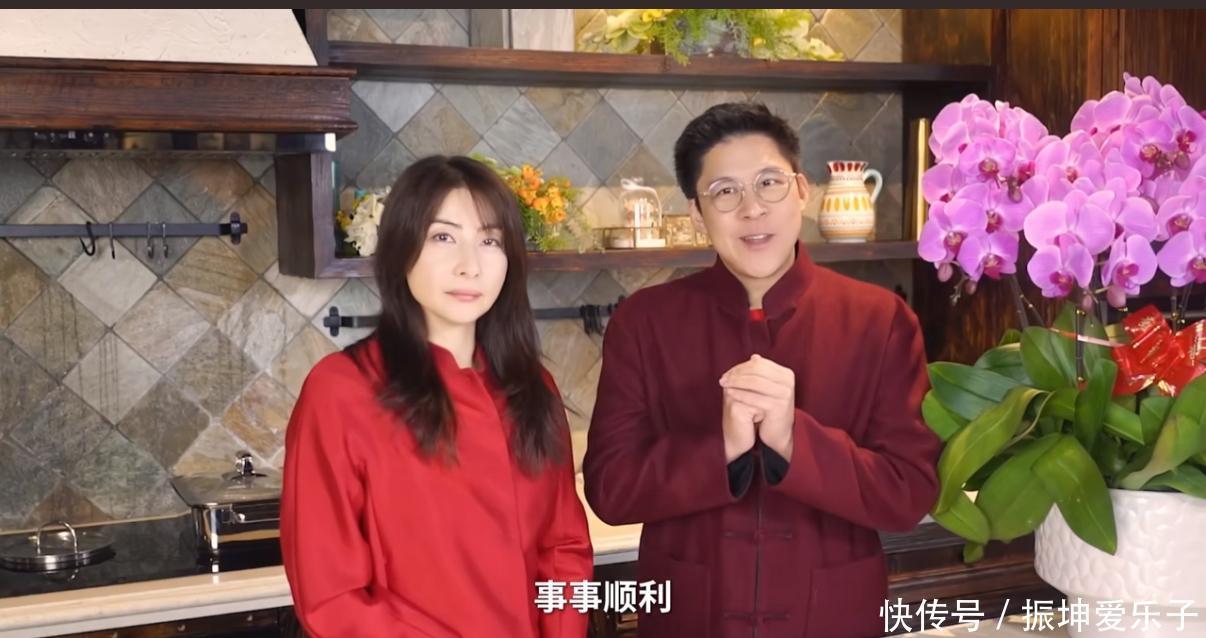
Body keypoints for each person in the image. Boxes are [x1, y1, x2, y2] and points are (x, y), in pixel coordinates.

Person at [583, 103, 942, 637]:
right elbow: (610, 490)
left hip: (832, 617)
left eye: (769, 183)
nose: (752, 209)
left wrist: (794, 439)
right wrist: (721, 446)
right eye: (724, 191)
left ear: (802, 191)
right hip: (691, 617)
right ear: (697, 213)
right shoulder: (645, 322)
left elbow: (908, 493)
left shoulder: (880, 320)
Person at [281, 155, 593, 637]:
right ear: (401, 249)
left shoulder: (533, 387)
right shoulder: (342, 391)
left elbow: (565, 549)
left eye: (490, 240)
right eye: (443, 237)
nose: (470, 266)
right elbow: (331, 597)